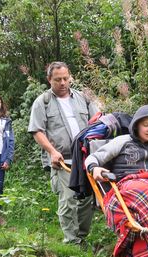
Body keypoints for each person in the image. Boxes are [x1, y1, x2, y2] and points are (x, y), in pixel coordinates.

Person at [85, 104, 148, 257]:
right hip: (128, 184)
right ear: (137, 125)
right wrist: (95, 168)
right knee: (144, 191)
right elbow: (93, 157)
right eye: (146, 125)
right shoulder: (122, 141)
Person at [28, 61, 98, 245]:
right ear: (49, 79)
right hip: (62, 161)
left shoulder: (83, 98)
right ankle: (71, 241)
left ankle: (81, 238)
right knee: (68, 201)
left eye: (66, 78)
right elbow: (37, 130)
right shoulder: (42, 102)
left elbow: (98, 122)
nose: (63, 83)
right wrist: (52, 152)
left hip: (86, 158)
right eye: (58, 79)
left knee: (86, 201)